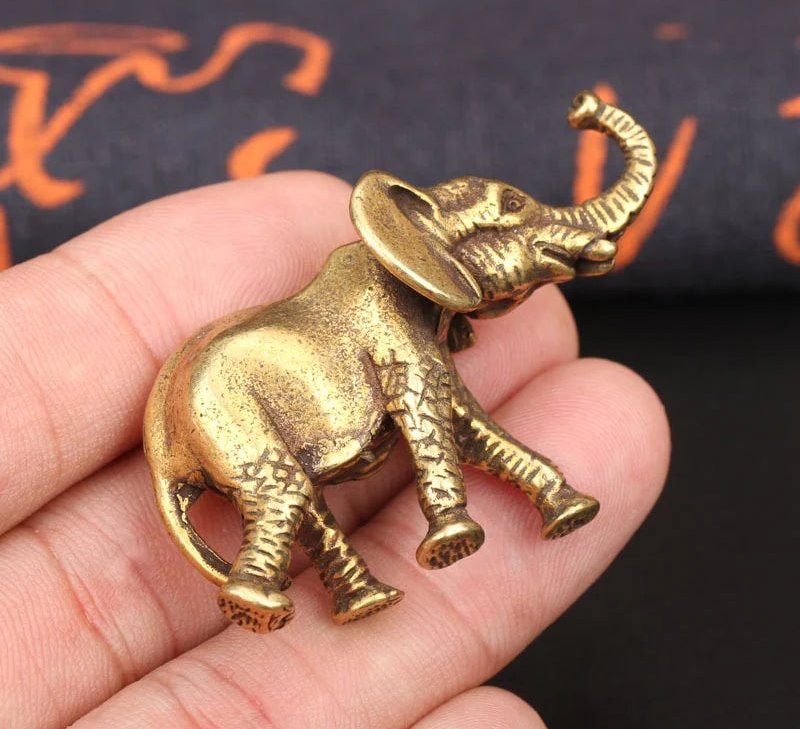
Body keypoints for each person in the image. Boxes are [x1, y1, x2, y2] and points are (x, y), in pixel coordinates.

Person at [0, 172, 669, 728]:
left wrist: (543, 484)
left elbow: (458, 416)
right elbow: (429, 416)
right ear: (431, 237)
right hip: (234, 391)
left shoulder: (398, 307)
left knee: (296, 484)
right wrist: (446, 508)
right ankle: (259, 569)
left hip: (244, 386)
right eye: (511, 213)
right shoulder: (382, 306)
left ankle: (350, 578)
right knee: (283, 493)